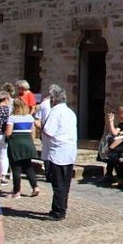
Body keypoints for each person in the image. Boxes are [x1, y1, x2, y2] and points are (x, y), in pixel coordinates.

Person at [42, 85, 77, 221]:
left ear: (53, 99)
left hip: (58, 152)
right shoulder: (70, 112)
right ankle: (61, 207)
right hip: (69, 151)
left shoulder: (56, 112)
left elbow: (49, 131)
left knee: (58, 184)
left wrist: (41, 126)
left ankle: (58, 211)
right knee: (65, 183)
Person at [5, 98, 40, 199]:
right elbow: (33, 133)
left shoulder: (12, 118)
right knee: (28, 166)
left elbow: (8, 133)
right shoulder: (30, 118)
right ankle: (35, 187)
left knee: (16, 168)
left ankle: (17, 191)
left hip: (16, 144)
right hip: (28, 143)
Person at [35, 83, 59, 183]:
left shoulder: (43, 104)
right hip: (55, 132)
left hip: (46, 131)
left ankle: (49, 173)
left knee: (46, 152)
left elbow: (37, 120)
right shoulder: (55, 105)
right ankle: (52, 173)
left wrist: (41, 129)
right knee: (52, 152)